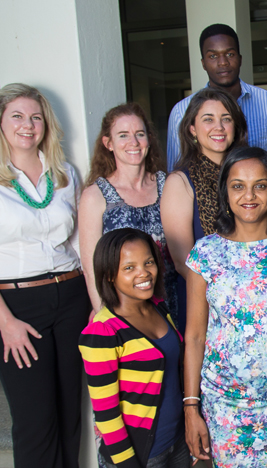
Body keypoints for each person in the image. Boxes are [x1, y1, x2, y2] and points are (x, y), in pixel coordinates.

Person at [184, 147, 267, 467]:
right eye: (238, 186)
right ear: (225, 193)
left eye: (260, 185)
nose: (249, 195)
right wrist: (191, 407)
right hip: (224, 410)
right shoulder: (205, 254)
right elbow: (194, 337)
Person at [0, 83, 91, 468]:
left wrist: (94, 305)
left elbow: (80, 246)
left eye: (36, 117)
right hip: (19, 306)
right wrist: (5, 323)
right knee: (35, 420)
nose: (28, 125)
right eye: (17, 116)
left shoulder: (65, 174)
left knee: (70, 411)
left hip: (71, 297)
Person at [79, 228, 188, 468]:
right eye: (129, 268)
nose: (144, 273)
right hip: (140, 456)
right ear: (108, 274)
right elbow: (106, 414)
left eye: (148, 262)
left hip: (177, 443)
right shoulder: (103, 332)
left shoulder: (159, 307)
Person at [79, 102, 178, 322]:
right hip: (124, 309)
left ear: (149, 139)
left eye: (139, 134)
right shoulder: (95, 196)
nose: (133, 142)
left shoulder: (169, 184)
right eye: (123, 135)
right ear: (109, 143)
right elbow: (92, 269)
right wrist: (108, 319)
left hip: (173, 299)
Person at [161, 88, 247, 331]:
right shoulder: (180, 182)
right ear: (192, 129)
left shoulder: (251, 173)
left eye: (226, 119)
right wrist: (230, 300)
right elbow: (183, 262)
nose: (218, 127)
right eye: (208, 119)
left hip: (257, 298)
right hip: (208, 305)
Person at [166, 23, 267, 171]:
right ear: (203, 63)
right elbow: (175, 169)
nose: (223, 62)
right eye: (213, 56)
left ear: (240, 59)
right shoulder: (181, 111)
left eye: (230, 54)